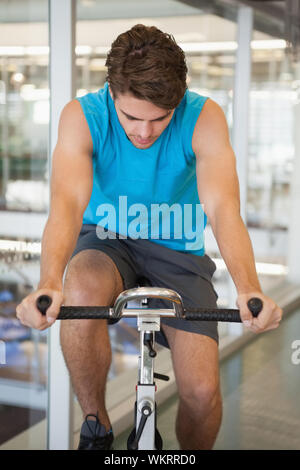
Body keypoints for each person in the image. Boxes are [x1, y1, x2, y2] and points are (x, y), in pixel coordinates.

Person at [16, 24, 282, 450]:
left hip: (178, 253)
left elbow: (222, 209)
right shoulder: (82, 116)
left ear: (178, 99)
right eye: (131, 118)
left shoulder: (204, 116)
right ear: (111, 92)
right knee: (80, 284)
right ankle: (96, 426)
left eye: (160, 119)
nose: (144, 133)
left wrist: (250, 288)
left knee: (201, 393)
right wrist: (49, 281)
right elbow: (66, 204)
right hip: (106, 241)